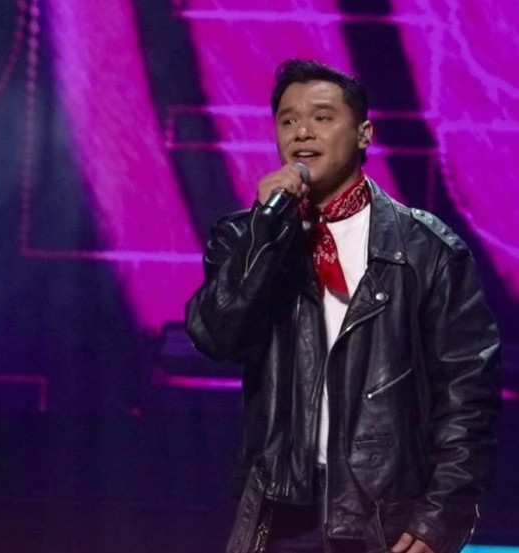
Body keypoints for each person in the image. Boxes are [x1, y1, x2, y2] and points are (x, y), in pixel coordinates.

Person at [186, 60, 500, 553]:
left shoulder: (427, 249)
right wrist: (265, 235)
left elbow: (467, 395)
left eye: (322, 117)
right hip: (281, 513)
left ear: (364, 134)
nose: (302, 132)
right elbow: (216, 335)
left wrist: (440, 517)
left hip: (386, 515)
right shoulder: (245, 237)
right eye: (288, 120)